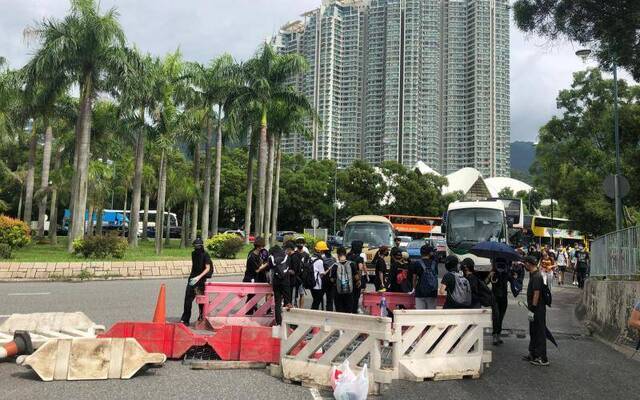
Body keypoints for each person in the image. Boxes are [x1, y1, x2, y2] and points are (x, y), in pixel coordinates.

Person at [523, 255, 549, 366]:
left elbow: (537, 293)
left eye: (525, 263)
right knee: (533, 331)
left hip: (537, 309)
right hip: (534, 308)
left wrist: (533, 308)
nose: (524, 265)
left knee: (540, 332)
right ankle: (533, 354)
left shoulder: (537, 276)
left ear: (529, 264)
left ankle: (543, 358)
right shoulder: (533, 274)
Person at [180, 238, 212, 326]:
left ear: (201, 246)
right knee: (188, 299)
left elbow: (207, 268)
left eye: (198, 246)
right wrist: (193, 277)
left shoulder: (206, 255)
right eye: (195, 246)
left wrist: (199, 277)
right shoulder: (193, 254)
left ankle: (202, 316)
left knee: (201, 300)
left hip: (201, 280)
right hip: (192, 279)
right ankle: (185, 319)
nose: (196, 248)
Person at [270, 242, 296, 325]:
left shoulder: (271, 257)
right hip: (285, 281)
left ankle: (279, 322)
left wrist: (270, 281)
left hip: (276, 282)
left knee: (277, 303)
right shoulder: (286, 257)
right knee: (287, 302)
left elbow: (270, 270)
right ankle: (287, 321)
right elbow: (287, 268)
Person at [243, 236, 269, 314]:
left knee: (254, 296)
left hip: (257, 278)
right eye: (262, 247)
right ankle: (248, 312)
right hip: (251, 278)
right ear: (258, 247)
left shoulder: (259, 254)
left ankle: (252, 310)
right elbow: (256, 270)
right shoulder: (252, 256)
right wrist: (266, 264)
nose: (263, 248)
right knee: (251, 296)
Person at [330, 247, 360, 313]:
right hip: (349, 292)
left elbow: (332, 279)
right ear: (345, 254)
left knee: (339, 310)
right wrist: (358, 282)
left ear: (338, 255)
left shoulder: (335, 266)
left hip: (338, 292)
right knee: (348, 310)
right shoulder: (352, 264)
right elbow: (356, 277)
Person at [487, 258, 509, 345]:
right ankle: (495, 336)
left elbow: (515, 281)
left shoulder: (506, 273)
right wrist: (490, 275)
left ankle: (498, 335)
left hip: (504, 298)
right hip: (495, 298)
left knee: (500, 318)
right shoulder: (493, 273)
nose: (500, 266)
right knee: (496, 317)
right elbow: (485, 283)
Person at [411, 245, 439, 309]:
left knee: (420, 314)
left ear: (420, 253)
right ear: (430, 253)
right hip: (432, 292)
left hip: (420, 292)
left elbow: (414, 278)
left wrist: (414, 288)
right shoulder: (434, 263)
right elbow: (436, 277)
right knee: (431, 314)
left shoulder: (417, 263)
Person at [347, 240, 367, 313]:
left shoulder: (348, 256)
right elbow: (360, 269)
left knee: (349, 296)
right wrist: (359, 280)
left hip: (347, 279)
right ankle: (354, 311)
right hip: (355, 280)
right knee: (356, 297)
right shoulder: (359, 258)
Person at [290, 237, 311, 308]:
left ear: (304, 244)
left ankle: (301, 309)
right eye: (298, 243)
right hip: (294, 277)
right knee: (293, 295)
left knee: (302, 294)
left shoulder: (307, 255)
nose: (300, 244)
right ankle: (293, 307)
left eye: (301, 243)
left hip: (302, 278)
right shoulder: (293, 254)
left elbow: (308, 266)